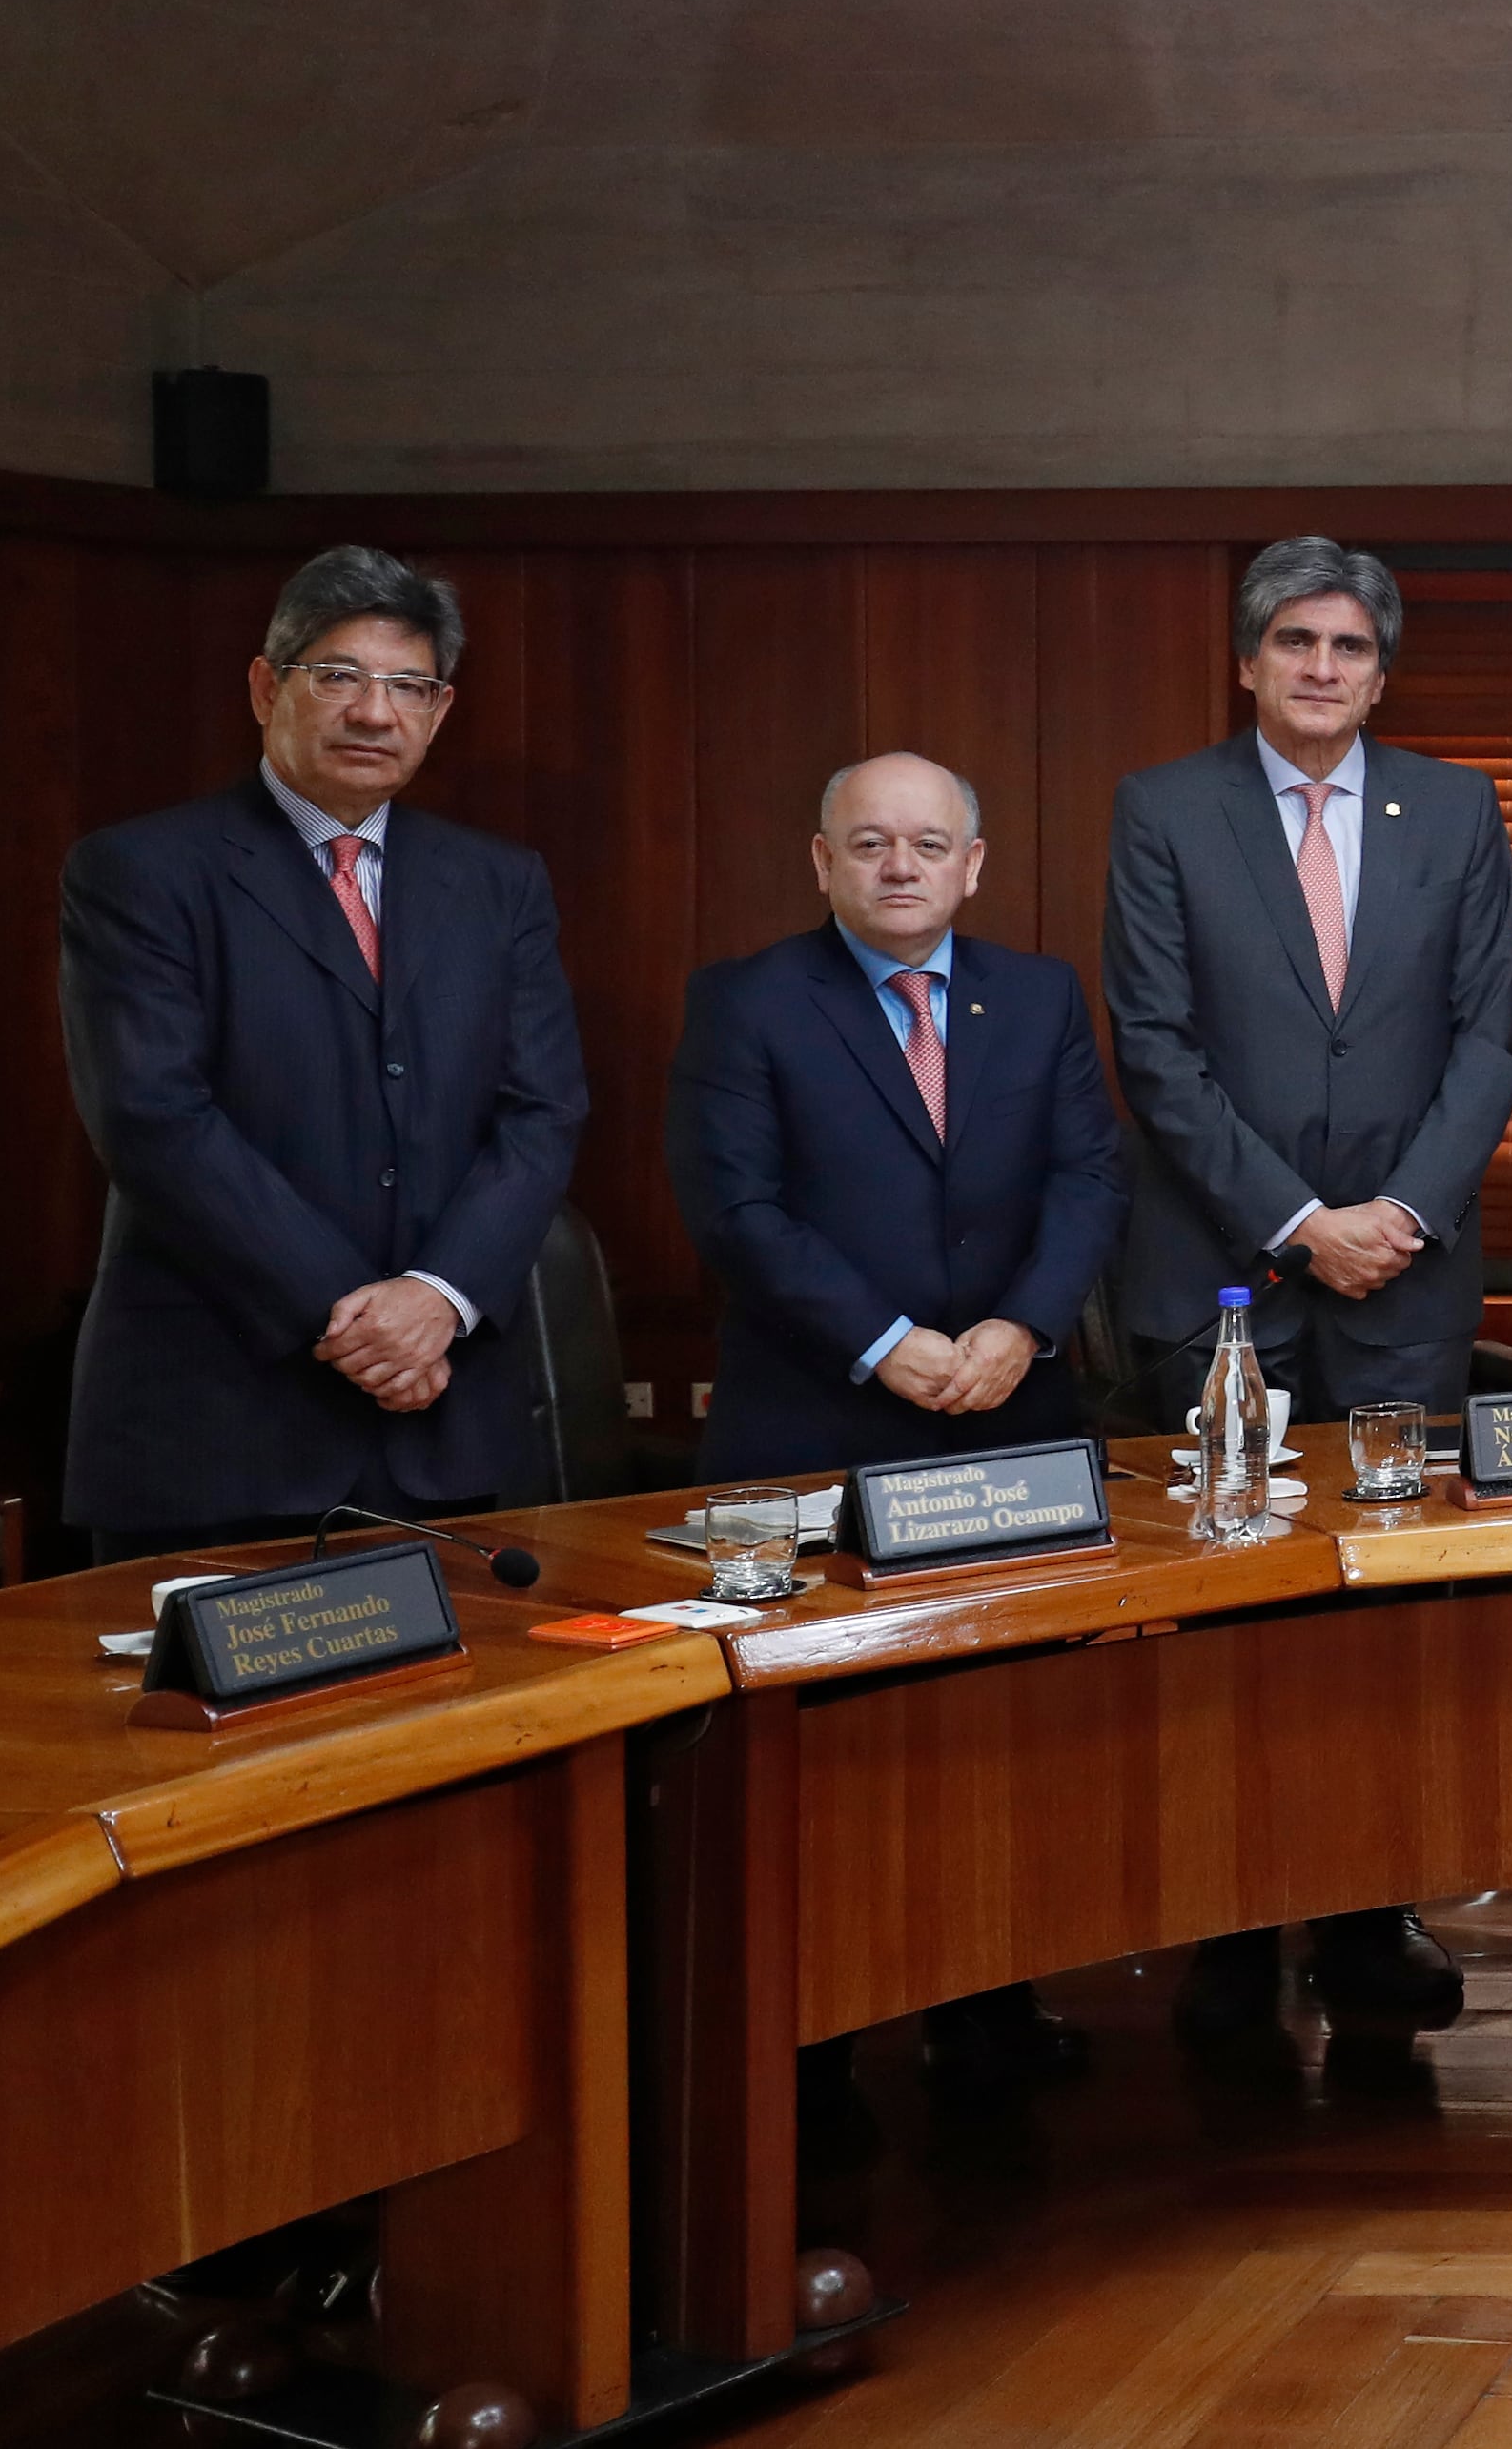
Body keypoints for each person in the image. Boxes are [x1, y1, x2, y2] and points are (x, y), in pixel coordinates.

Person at [1104, 536, 1512, 2051]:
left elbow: (1489, 1040)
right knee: (1223, 1617)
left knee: (1385, 1624)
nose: (1322, 667)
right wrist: (1298, 1220)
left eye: (1349, 645)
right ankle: (1223, 1929)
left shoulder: (1456, 807)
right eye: (1295, 641)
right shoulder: (1165, 808)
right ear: (1248, 661)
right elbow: (1154, 1045)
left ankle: (1364, 1920)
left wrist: (1396, 1214)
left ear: (1380, 670)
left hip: (1404, 1283)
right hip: (1226, 1274)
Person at [667, 747, 1128, 2123]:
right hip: (813, 1427)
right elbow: (736, 1212)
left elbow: (1089, 1176)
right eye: (869, 843)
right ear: (822, 862)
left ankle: (986, 2009)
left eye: (929, 844)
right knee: (820, 1761)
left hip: (1008, 1421)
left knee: (992, 1744)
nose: (901, 865)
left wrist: (1023, 1328)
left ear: (973, 864)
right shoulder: (745, 1002)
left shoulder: (1037, 995)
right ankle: (803, 2052)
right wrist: (888, 1341)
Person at [60, 547, 588, 1561]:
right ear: (268, 687)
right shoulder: (141, 871)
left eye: (408, 686)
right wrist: (356, 1323)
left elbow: (543, 1112)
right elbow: (154, 1118)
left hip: (446, 1426)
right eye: (338, 676)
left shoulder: (498, 882)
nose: (373, 711)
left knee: (469, 1716)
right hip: (216, 1426)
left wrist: (437, 1299)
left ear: (439, 711)